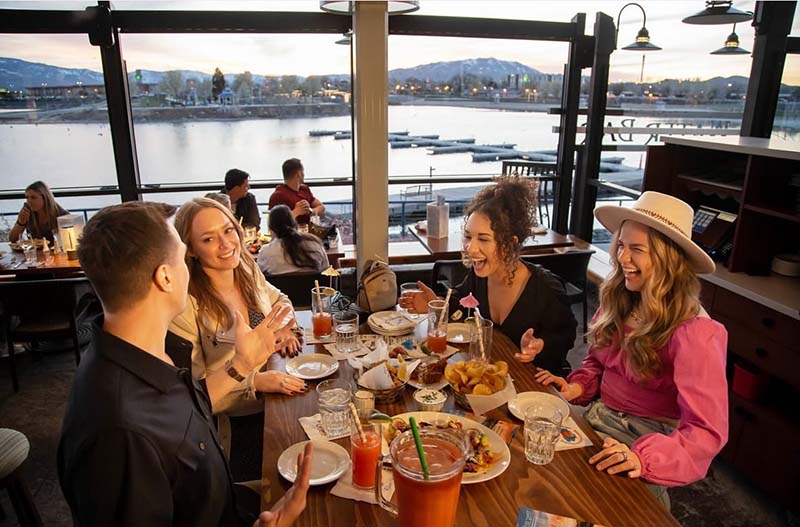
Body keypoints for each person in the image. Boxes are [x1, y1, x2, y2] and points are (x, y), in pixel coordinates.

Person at [58, 200, 313, 526]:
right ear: (165, 276)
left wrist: (243, 364)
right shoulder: (119, 431)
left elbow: (193, 409)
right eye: (182, 255)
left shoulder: (142, 357)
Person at [534, 191, 728, 509]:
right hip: (599, 415)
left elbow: (706, 432)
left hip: (648, 438)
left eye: (636, 249)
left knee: (625, 509)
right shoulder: (621, 299)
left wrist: (643, 459)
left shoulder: (697, 332)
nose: (622, 258)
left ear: (669, 260)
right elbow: (597, 361)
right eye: (621, 245)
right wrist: (576, 386)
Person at [401, 176, 577, 374]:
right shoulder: (480, 277)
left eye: (483, 239)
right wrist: (438, 304)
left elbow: (566, 335)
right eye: (468, 236)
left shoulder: (546, 288)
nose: (471, 247)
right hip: (494, 376)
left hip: (534, 385)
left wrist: (541, 345)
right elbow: (460, 301)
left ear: (510, 243)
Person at [170, 198, 306, 416]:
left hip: (278, 390)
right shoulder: (184, 306)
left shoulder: (246, 268)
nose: (226, 244)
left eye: (228, 230)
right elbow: (196, 395)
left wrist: (286, 330)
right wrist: (255, 381)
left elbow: (280, 300)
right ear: (191, 249)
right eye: (208, 239)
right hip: (237, 420)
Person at [258, 204, 329, 275]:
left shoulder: (266, 252)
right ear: (294, 223)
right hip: (313, 285)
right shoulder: (314, 243)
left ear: (271, 228)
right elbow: (326, 271)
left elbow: (259, 277)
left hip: (280, 286)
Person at [8, 180, 69, 244]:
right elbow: (12, 239)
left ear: (45, 198)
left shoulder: (62, 215)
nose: (29, 201)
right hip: (34, 252)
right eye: (27, 197)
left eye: (33, 197)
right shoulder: (28, 213)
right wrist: (21, 222)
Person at [268, 158, 325, 226]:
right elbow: (273, 223)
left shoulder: (304, 189)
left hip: (308, 232)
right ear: (298, 174)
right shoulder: (278, 196)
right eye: (303, 171)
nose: (304, 174)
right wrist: (296, 212)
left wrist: (310, 211)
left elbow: (321, 207)